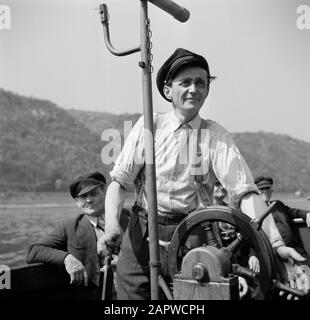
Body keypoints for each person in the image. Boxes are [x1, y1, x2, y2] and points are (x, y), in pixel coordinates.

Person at [102, 48, 308, 300]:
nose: (193, 89)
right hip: (141, 236)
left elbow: (245, 194)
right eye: (185, 82)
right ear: (168, 91)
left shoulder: (216, 136)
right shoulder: (148, 126)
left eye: (200, 82)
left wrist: (276, 244)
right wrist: (112, 225)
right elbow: (118, 183)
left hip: (191, 235)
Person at [26, 172, 127, 299]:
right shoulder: (70, 227)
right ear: (77, 203)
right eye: (83, 197)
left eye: (94, 193)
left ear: (105, 193)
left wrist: (125, 262)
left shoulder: (130, 219)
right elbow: (34, 251)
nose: (89, 200)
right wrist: (68, 259)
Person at [255, 175, 310, 299]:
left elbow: (295, 212)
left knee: (306, 282)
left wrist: (307, 214)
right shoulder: (253, 211)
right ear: (256, 192)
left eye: (267, 188)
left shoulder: (278, 205)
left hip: (297, 252)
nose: (264, 191)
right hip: (272, 256)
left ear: (271, 190)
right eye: (261, 189)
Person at [213, 180, 260, 299]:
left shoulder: (234, 210)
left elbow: (247, 236)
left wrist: (252, 255)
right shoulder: (202, 213)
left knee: (261, 274)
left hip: (240, 258)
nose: (222, 187)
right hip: (219, 263)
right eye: (217, 184)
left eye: (223, 183)